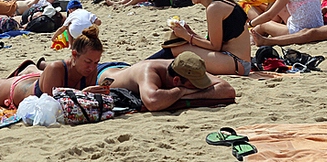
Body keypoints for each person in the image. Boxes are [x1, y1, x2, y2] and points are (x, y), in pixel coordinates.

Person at [147, 0, 251, 76]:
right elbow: (214, 43)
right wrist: (191, 33)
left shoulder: (214, 8)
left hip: (237, 63)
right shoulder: (220, 3)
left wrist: (187, 36)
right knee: (180, 45)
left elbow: (215, 47)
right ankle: (145, 65)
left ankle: (143, 66)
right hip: (233, 60)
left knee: (179, 49)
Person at [97, 52, 236, 111]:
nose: (199, 88)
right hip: (102, 73)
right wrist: (181, 91)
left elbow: (228, 90)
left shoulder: (185, 66)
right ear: (176, 80)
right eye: (194, 85)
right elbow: (153, 102)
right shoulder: (148, 71)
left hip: (125, 68)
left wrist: (187, 93)